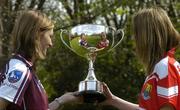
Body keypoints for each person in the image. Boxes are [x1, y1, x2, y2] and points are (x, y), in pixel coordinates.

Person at [0, 10, 82, 110]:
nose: (51, 44)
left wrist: (61, 100)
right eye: (50, 36)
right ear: (36, 34)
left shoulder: (27, 69)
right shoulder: (20, 70)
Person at [101, 7, 180, 110]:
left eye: (137, 34)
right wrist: (113, 100)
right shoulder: (159, 69)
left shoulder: (165, 67)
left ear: (148, 36)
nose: (134, 39)